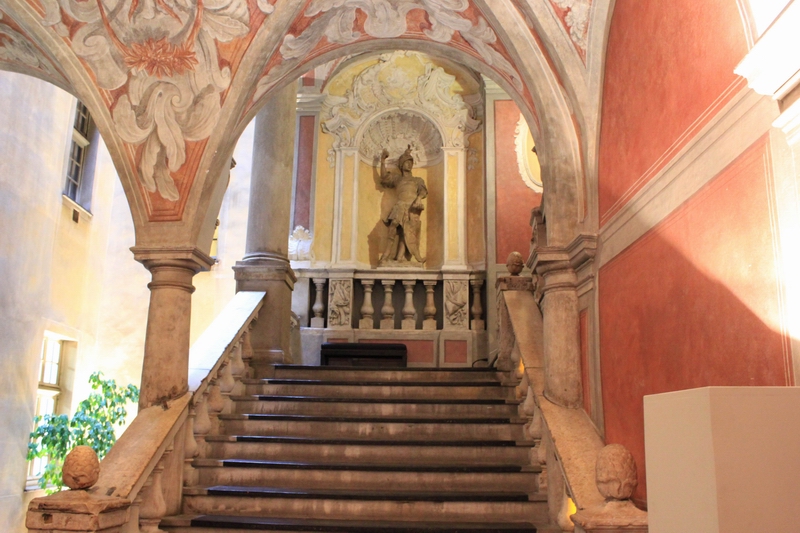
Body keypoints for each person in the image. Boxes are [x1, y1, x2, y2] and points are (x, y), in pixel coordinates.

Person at [379, 145, 427, 265]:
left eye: (410, 162)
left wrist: (418, 199)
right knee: (393, 226)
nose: (409, 165)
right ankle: (386, 255)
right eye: (406, 162)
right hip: (400, 206)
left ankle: (400, 257)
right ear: (401, 165)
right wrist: (382, 161)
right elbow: (384, 177)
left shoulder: (417, 180)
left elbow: (423, 191)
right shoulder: (397, 179)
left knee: (406, 232)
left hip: (412, 209)